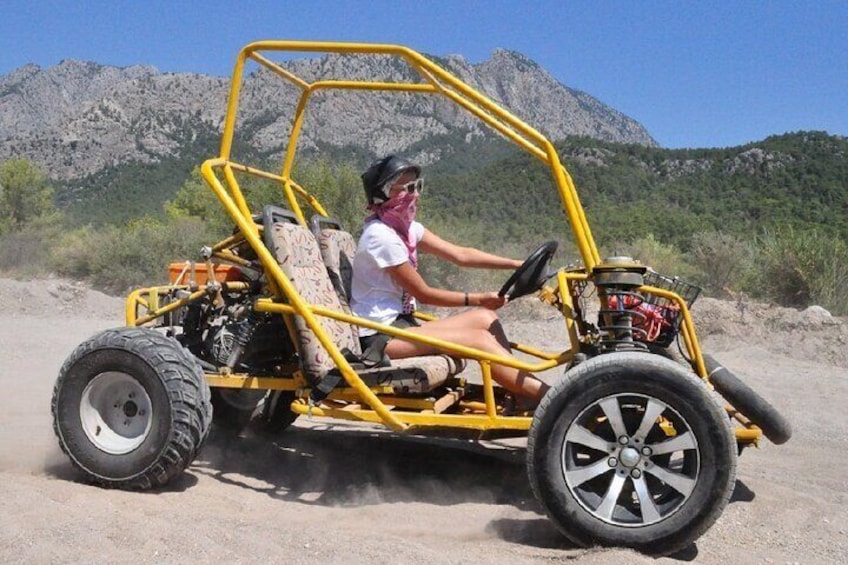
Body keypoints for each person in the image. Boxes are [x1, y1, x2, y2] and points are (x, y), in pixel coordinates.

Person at [350, 155, 550, 408]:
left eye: (418, 186)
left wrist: (518, 264)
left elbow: (461, 255)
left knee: (486, 317)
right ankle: (552, 398)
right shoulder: (380, 237)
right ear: (384, 194)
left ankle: (523, 393)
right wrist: (477, 298)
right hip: (380, 337)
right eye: (408, 188)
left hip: (400, 325)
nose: (416, 195)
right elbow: (424, 294)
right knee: (478, 339)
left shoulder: (408, 230)